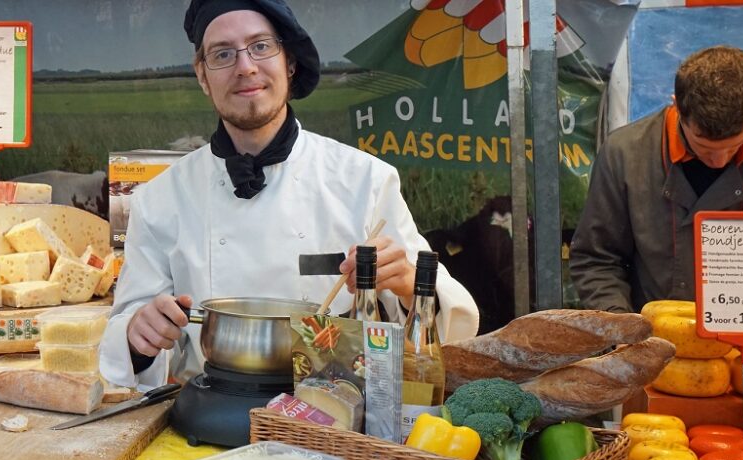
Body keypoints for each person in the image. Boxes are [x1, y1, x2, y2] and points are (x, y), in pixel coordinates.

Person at [100, 0, 480, 389]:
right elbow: (124, 334)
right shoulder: (159, 198)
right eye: (222, 54)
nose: (245, 66)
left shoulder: (366, 181)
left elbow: (457, 323)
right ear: (202, 76)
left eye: (261, 46)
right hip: (205, 412)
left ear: (290, 63)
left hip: (332, 410)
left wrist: (404, 283)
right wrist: (138, 335)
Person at [571, 45, 743, 316]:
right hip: (646, 341)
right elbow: (596, 259)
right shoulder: (623, 154)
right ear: (676, 107)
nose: (718, 160)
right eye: (704, 146)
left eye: (733, 147)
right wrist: (622, 329)